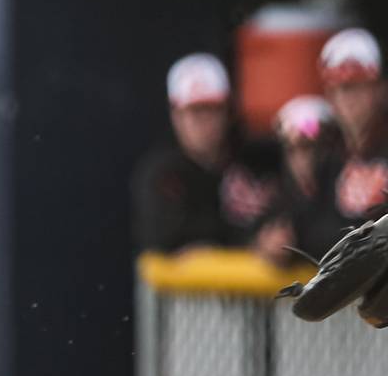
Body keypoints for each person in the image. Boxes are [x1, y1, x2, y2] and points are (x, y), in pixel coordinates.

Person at [131, 53, 282, 256]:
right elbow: (161, 235)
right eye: (194, 111)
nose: (203, 122)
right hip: (187, 288)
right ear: (175, 114)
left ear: (228, 111)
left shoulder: (258, 161)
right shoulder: (162, 172)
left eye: (212, 109)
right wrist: (246, 243)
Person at [317, 28, 388, 240]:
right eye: (339, 88)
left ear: (379, 90)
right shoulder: (326, 157)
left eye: (357, 87)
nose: (348, 99)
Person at [270, 94, 344, 264]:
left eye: (309, 148)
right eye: (292, 149)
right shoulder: (280, 197)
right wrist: (263, 242)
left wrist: (296, 243)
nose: (301, 160)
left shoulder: (348, 192)